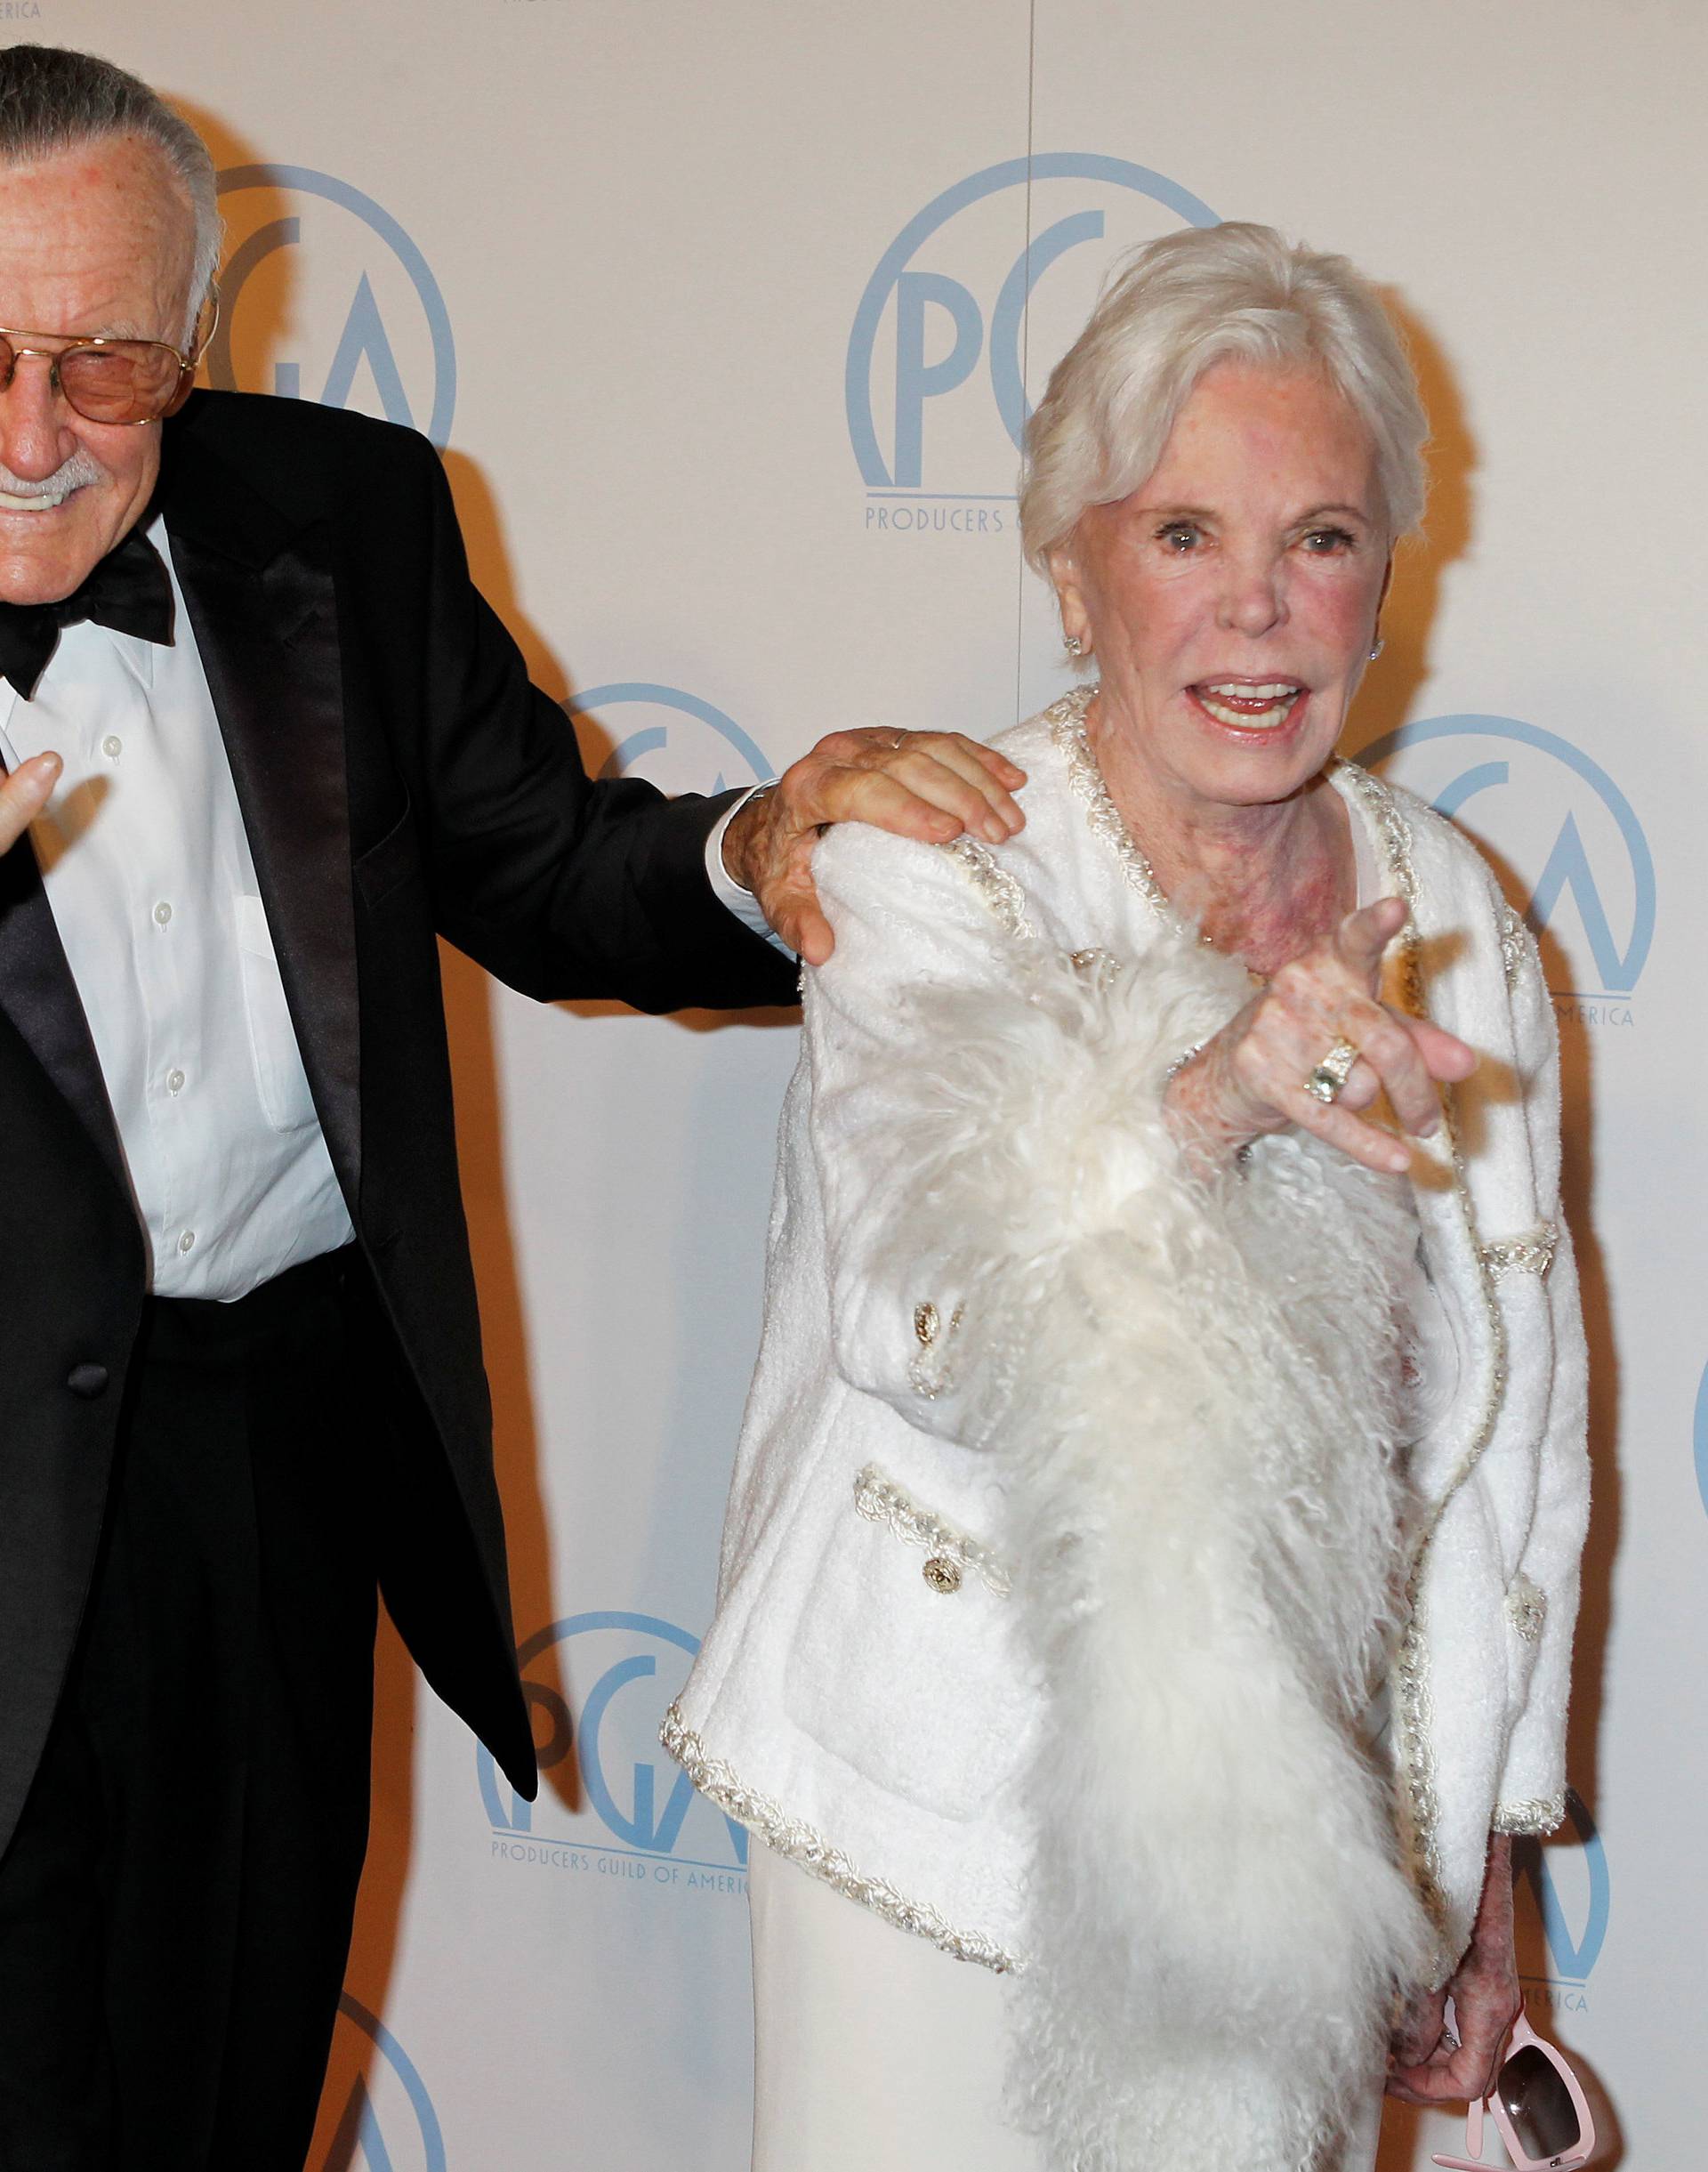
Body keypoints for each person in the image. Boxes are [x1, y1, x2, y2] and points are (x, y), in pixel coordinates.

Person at [0, 43, 1027, 2172]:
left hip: (269, 1463)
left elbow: (548, 866)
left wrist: (769, 845)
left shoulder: (340, 517)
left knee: (218, 2102)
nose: (31, 439)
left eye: (102, 369)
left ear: (196, 349)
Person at [665, 222, 1590, 2172]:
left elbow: (1512, 1432)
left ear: (1384, 586)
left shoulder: (1461, 920)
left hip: (1299, 1858)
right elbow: (919, 1322)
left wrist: (1471, 1857)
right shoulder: (939, 864)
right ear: (1075, 579)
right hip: (938, 1817)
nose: (1256, 613)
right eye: (1182, 537)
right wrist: (1208, 1103)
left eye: (1319, 540)